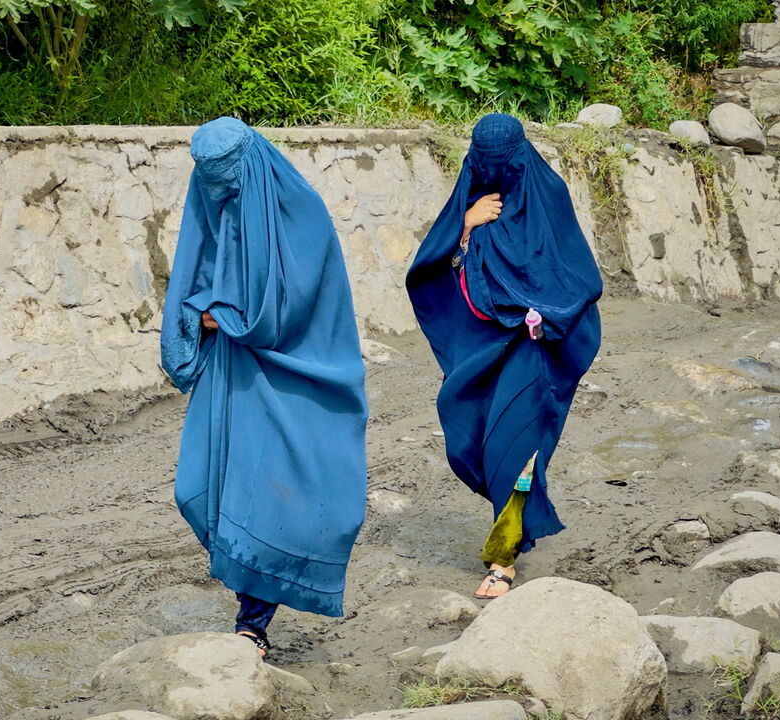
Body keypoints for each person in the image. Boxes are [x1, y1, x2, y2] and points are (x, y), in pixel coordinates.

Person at [159, 117, 368, 657]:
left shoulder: (305, 215)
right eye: (210, 183)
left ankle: (252, 625)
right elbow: (195, 278)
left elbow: (285, 308)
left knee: (270, 496)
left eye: (228, 182)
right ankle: (252, 610)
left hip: (295, 370)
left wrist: (219, 314)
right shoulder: (216, 201)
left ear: (250, 164)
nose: (220, 195)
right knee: (196, 488)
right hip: (231, 369)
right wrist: (199, 316)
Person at [406, 113, 602, 600]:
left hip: (536, 348)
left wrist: (545, 316)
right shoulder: (469, 196)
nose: (492, 168)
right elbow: (437, 270)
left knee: (515, 449)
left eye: (501, 161)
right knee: (467, 438)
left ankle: (503, 559)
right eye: (483, 159)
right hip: (480, 348)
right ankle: (512, 527)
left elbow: (578, 277)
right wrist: (464, 225)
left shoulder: (547, 195)